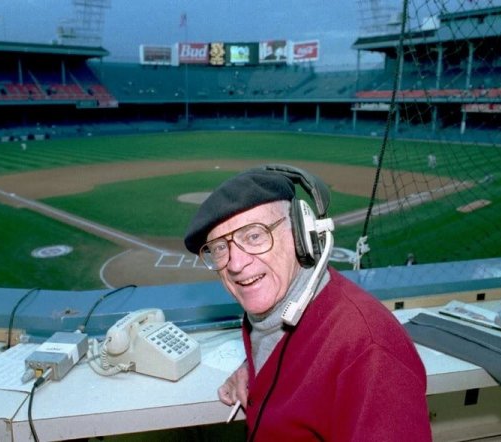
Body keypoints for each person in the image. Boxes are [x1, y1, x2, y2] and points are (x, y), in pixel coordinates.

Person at [184, 166, 431, 441]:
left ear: (302, 234)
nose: (236, 264)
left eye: (254, 236)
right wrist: (254, 370)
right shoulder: (274, 313)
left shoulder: (369, 350)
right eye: (220, 248)